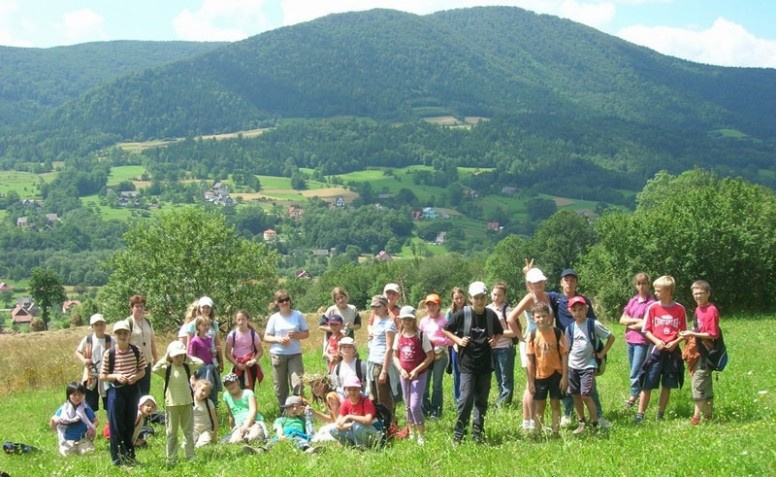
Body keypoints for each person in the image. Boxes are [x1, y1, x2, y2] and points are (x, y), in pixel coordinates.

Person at [545, 267, 611, 428]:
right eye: (566, 280)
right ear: (561, 282)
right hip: (565, 349)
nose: (569, 283)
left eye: (573, 280)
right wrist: (528, 274)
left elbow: (593, 326)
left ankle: (599, 416)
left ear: (577, 283)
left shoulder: (584, 301)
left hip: (586, 352)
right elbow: (536, 291)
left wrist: (599, 351)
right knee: (567, 384)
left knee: (589, 387)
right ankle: (568, 413)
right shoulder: (556, 298)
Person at [442, 281, 502, 444]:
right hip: (467, 365)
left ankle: (477, 434)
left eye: (482, 297)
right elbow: (445, 329)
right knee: (465, 400)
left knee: (481, 401)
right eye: (476, 298)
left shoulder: (490, 315)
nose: (480, 301)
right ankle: (458, 435)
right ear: (470, 298)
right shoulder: (463, 314)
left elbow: (499, 331)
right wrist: (458, 340)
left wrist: (494, 341)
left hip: (485, 365)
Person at [636, 275, 687, 423]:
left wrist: (675, 342)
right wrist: (657, 341)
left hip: (672, 350)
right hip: (656, 349)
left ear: (668, 291)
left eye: (658, 290)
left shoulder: (680, 309)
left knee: (668, 383)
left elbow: (683, 332)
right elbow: (646, 329)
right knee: (648, 381)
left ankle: (660, 414)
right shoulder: (653, 307)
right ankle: (640, 414)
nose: (656, 293)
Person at [100, 320, 147, 467]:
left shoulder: (136, 351)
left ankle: (130, 456)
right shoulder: (110, 353)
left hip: (132, 390)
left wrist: (135, 377)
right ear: (115, 335)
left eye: (125, 333)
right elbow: (102, 375)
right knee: (116, 426)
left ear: (130, 335)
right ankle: (118, 460)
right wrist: (115, 376)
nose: (122, 336)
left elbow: (143, 371)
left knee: (129, 424)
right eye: (119, 333)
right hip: (116, 391)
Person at [505, 267, 548, 431]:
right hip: (530, 343)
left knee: (538, 380)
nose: (539, 285)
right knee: (531, 383)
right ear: (530, 285)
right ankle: (526, 420)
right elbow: (511, 318)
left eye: (541, 282)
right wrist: (521, 337)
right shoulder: (530, 297)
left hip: (544, 343)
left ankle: (535, 420)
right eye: (536, 283)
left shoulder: (545, 296)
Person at [566, 296, 615, 434]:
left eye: (581, 309)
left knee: (586, 395)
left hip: (588, 365)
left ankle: (594, 423)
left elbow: (611, 337)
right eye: (574, 310)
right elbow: (566, 348)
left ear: (586, 309)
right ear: (570, 312)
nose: (578, 312)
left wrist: (602, 353)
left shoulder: (593, 324)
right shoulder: (569, 328)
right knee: (575, 395)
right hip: (572, 366)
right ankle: (582, 422)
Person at [153, 341, 203, 467]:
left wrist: (188, 357)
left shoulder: (187, 367)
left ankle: (190, 456)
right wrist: (166, 358)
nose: (179, 359)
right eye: (176, 356)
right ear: (171, 356)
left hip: (187, 403)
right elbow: (155, 369)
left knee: (188, 431)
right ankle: (171, 458)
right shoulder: (167, 369)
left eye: (181, 356)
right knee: (171, 433)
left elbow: (200, 363)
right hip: (172, 405)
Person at [392, 306, 434, 445]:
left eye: (409, 319)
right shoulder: (398, 336)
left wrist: (416, 370)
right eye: (404, 319)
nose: (407, 322)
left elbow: (430, 356)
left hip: (419, 375)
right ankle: (411, 431)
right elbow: (395, 356)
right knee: (407, 405)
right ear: (400, 320)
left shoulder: (421, 335)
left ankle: (421, 435)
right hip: (404, 375)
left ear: (414, 319)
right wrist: (400, 369)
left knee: (415, 404)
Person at [680, 280, 719, 425]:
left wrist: (693, 334)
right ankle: (709, 417)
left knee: (698, 383)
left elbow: (713, 334)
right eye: (695, 293)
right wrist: (689, 333)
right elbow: (697, 329)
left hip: (705, 353)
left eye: (701, 293)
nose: (698, 296)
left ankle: (695, 419)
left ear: (708, 293)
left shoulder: (711, 310)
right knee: (705, 384)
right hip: (696, 351)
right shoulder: (698, 310)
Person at [526, 302, 568, 435]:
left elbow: (564, 355)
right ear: (533, 318)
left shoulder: (557, 333)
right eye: (538, 317)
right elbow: (530, 360)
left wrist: (565, 377)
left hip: (556, 373)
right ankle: (538, 432)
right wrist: (531, 381)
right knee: (540, 406)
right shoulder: (532, 336)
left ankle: (556, 432)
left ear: (549, 317)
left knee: (555, 404)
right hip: (539, 376)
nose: (541, 319)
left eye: (544, 316)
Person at [264, 290, 309, 410]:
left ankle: (298, 409)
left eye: (286, 299)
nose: (284, 302)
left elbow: (306, 333)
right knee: (280, 385)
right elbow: (266, 337)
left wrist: (296, 335)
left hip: (294, 354)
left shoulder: (297, 315)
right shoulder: (274, 318)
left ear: (290, 300)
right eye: (281, 301)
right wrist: (278, 340)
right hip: (278, 354)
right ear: (277, 303)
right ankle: (284, 410)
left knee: (297, 383)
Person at [619, 273, 655, 407]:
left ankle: (632, 398)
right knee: (633, 370)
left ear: (648, 284)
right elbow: (622, 320)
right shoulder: (633, 300)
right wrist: (636, 321)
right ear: (635, 285)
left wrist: (631, 323)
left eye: (644, 283)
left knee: (635, 370)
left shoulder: (651, 303)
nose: (641, 286)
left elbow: (647, 324)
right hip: (630, 340)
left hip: (642, 341)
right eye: (638, 283)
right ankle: (638, 394)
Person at [418, 293, 452, 419]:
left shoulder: (444, 321)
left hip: (439, 356)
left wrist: (436, 340)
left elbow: (451, 340)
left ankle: (436, 411)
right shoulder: (423, 322)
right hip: (426, 357)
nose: (431, 307)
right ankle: (425, 410)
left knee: (436, 385)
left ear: (439, 306)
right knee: (424, 385)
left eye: (434, 305)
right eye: (428, 305)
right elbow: (419, 338)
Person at [366, 294, 397, 420]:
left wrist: (384, 370)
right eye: (373, 307)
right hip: (373, 362)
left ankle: (390, 424)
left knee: (384, 397)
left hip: (381, 364)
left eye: (378, 306)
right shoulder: (377, 322)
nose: (375, 309)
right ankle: (380, 423)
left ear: (385, 307)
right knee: (374, 397)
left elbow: (389, 348)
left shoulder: (389, 323)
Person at [330, 376, 382, 449]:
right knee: (333, 429)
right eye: (349, 389)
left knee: (357, 425)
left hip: (374, 432)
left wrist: (349, 416)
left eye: (355, 389)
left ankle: (362, 448)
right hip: (357, 430)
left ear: (359, 389)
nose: (352, 392)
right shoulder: (345, 403)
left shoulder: (366, 401)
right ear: (345, 390)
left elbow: (368, 420)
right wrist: (350, 426)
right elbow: (338, 424)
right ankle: (351, 447)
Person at [74, 313, 111, 413]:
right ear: (92, 327)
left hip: (107, 375)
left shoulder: (111, 340)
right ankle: (90, 426)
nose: (99, 327)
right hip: (91, 376)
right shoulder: (88, 339)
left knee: (109, 405)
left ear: (105, 325)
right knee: (90, 405)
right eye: (96, 324)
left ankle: (110, 427)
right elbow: (78, 352)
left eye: (101, 324)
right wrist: (84, 360)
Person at [488, 282, 517, 407]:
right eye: (494, 294)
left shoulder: (508, 310)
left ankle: (504, 404)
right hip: (491, 348)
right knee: (498, 377)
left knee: (506, 377)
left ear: (504, 296)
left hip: (505, 348)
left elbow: (513, 333)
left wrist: (499, 332)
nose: (496, 297)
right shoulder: (487, 309)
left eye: (499, 295)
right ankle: (502, 398)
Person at [50, 382, 97, 457]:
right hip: (67, 440)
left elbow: (95, 421)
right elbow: (53, 427)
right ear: (69, 396)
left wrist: (92, 428)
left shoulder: (85, 408)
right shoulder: (63, 410)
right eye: (74, 395)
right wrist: (53, 421)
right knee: (68, 455)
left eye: (80, 395)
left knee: (87, 453)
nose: (77, 397)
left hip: (83, 438)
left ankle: (82, 446)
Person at [221, 373, 268, 444]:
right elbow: (231, 415)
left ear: (238, 382)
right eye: (227, 385)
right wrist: (232, 428)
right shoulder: (226, 396)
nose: (230, 386)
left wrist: (246, 426)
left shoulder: (248, 393)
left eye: (232, 383)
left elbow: (253, 411)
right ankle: (245, 441)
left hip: (254, 422)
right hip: (239, 425)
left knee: (254, 436)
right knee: (235, 441)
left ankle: (252, 440)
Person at [125, 294, 158, 396]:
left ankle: (144, 412)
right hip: (133, 364)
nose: (139, 308)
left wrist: (155, 358)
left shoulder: (147, 322)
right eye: (136, 306)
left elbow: (151, 341)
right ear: (131, 308)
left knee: (145, 392)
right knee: (133, 393)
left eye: (141, 306)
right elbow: (124, 343)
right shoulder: (128, 322)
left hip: (146, 362)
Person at [225, 309, 264, 391]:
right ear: (235, 321)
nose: (241, 322)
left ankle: (250, 403)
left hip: (250, 365)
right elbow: (227, 353)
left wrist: (253, 361)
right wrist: (236, 364)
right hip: (237, 366)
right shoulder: (232, 335)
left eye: (243, 319)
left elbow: (260, 351)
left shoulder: (253, 334)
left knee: (250, 390)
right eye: (239, 320)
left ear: (247, 320)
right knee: (238, 389)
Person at [184, 296, 225, 374]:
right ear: (199, 308)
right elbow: (189, 345)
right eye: (203, 307)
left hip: (213, 358)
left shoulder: (214, 324)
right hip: (199, 359)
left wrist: (220, 360)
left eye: (208, 307)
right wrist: (189, 363)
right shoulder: (192, 325)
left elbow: (217, 343)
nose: (206, 310)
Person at [188, 315, 221, 407]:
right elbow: (191, 357)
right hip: (201, 369)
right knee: (202, 390)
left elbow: (209, 353)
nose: (207, 327)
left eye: (208, 325)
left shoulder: (209, 339)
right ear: (198, 326)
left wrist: (213, 354)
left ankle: (213, 408)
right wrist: (192, 374)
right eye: (204, 325)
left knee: (212, 389)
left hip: (210, 367)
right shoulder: (195, 341)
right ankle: (202, 409)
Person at [446, 287, 467, 404]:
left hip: (468, 345)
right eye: (456, 298)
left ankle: (468, 397)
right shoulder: (450, 312)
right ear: (453, 299)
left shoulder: (469, 310)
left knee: (468, 373)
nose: (459, 300)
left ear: (465, 297)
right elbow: (446, 330)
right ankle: (458, 400)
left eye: (461, 298)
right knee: (456, 373)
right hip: (454, 346)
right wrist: (454, 343)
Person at [192, 380, 219, 447]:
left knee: (202, 445)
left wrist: (214, 435)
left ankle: (199, 444)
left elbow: (215, 420)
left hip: (206, 430)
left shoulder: (208, 403)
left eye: (207, 392)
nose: (204, 394)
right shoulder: (189, 401)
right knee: (187, 445)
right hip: (193, 430)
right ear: (196, 388)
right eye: (202, 390)